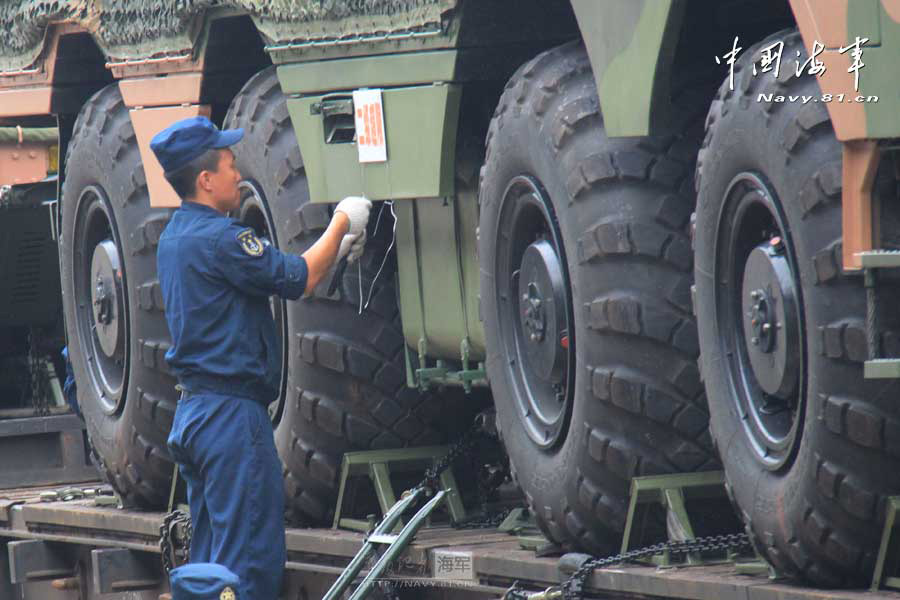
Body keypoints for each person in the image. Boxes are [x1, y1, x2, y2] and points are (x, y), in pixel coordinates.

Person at [150, 116, 372, 600]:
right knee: (246, 570)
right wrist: (342, 223)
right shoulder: (222, 240)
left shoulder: (175, 238)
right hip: (231, 419)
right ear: (205, 180)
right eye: (229, 165)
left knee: (211, 568)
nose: (238, 175)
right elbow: (301, 278)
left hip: (195, 415)